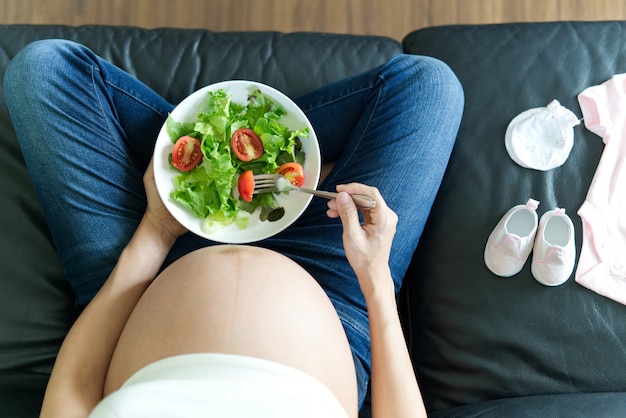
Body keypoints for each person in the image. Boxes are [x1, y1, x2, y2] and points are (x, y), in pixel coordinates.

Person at [4, 39, 464, 418]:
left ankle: (215, 161)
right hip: (336, 286)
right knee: (428, 85)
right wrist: (376, 277)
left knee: (43, 70)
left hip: (140, 283)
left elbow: (73, 390)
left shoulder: (151, 245)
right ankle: (246, 165)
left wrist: (157, 230)